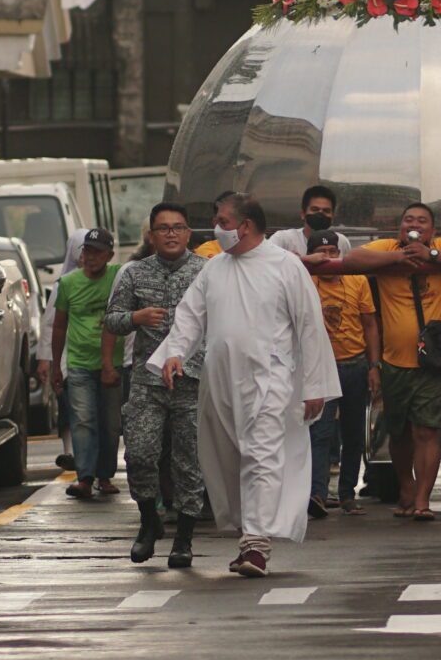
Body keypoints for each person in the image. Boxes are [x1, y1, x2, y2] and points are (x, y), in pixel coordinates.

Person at [151, 194, 338, 578]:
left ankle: (256, 546)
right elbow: (189, 317)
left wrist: (314, 385)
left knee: (261, 455)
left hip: (270, 381)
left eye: (222, 220)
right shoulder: (215, 268)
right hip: (219, 382)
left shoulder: (286, 267)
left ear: (246, 226)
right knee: (229, 460)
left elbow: (309, 327)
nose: (216, 228)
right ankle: (247, 532)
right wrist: (174, 354)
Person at [331, 201, 441, 521]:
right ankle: (406, 487)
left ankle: (422, 499)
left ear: (433, 230)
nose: (416, 224)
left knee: (427, 432)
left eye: (423, 221)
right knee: (399, 434)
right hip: (394, 363)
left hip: (431, 362)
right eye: (409, 219)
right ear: (400, 227)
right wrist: (399, 257)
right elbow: (352, 258)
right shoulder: (388, 248)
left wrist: (431, 255)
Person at [107, 201, 210, 567]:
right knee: (140, 454)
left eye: (177, 227)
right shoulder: (134, 273)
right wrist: (135, 317)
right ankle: (149, 521)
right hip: (147, 382)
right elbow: (112, 320)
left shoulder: (207, 272)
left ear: (188, 234)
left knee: (189, 463)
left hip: (192, 382)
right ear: (151, 235)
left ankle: (184, 538)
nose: (170, 233)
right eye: (163, 228)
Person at [303, 224, 378, 515]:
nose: (327, 258)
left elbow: (370, 324)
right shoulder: (304, 280)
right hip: (321, 367)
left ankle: (347, 494)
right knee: (319, 433)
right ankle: (317, 494)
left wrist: (374, 366)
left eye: (332, 252)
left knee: (354, 433)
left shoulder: (357, 280)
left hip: (355, 365)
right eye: (320, 252)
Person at [52, 228, 120, 501]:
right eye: (86, 251)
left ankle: (105, 476)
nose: (90, 257)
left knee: (110, 423)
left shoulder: (117, 278)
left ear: (109, 256)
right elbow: (59, 326)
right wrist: (56, 365)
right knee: (83, 420)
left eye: (97, 252)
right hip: (79, 363)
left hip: (111, 364)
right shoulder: (68, 284)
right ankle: (85, 478)